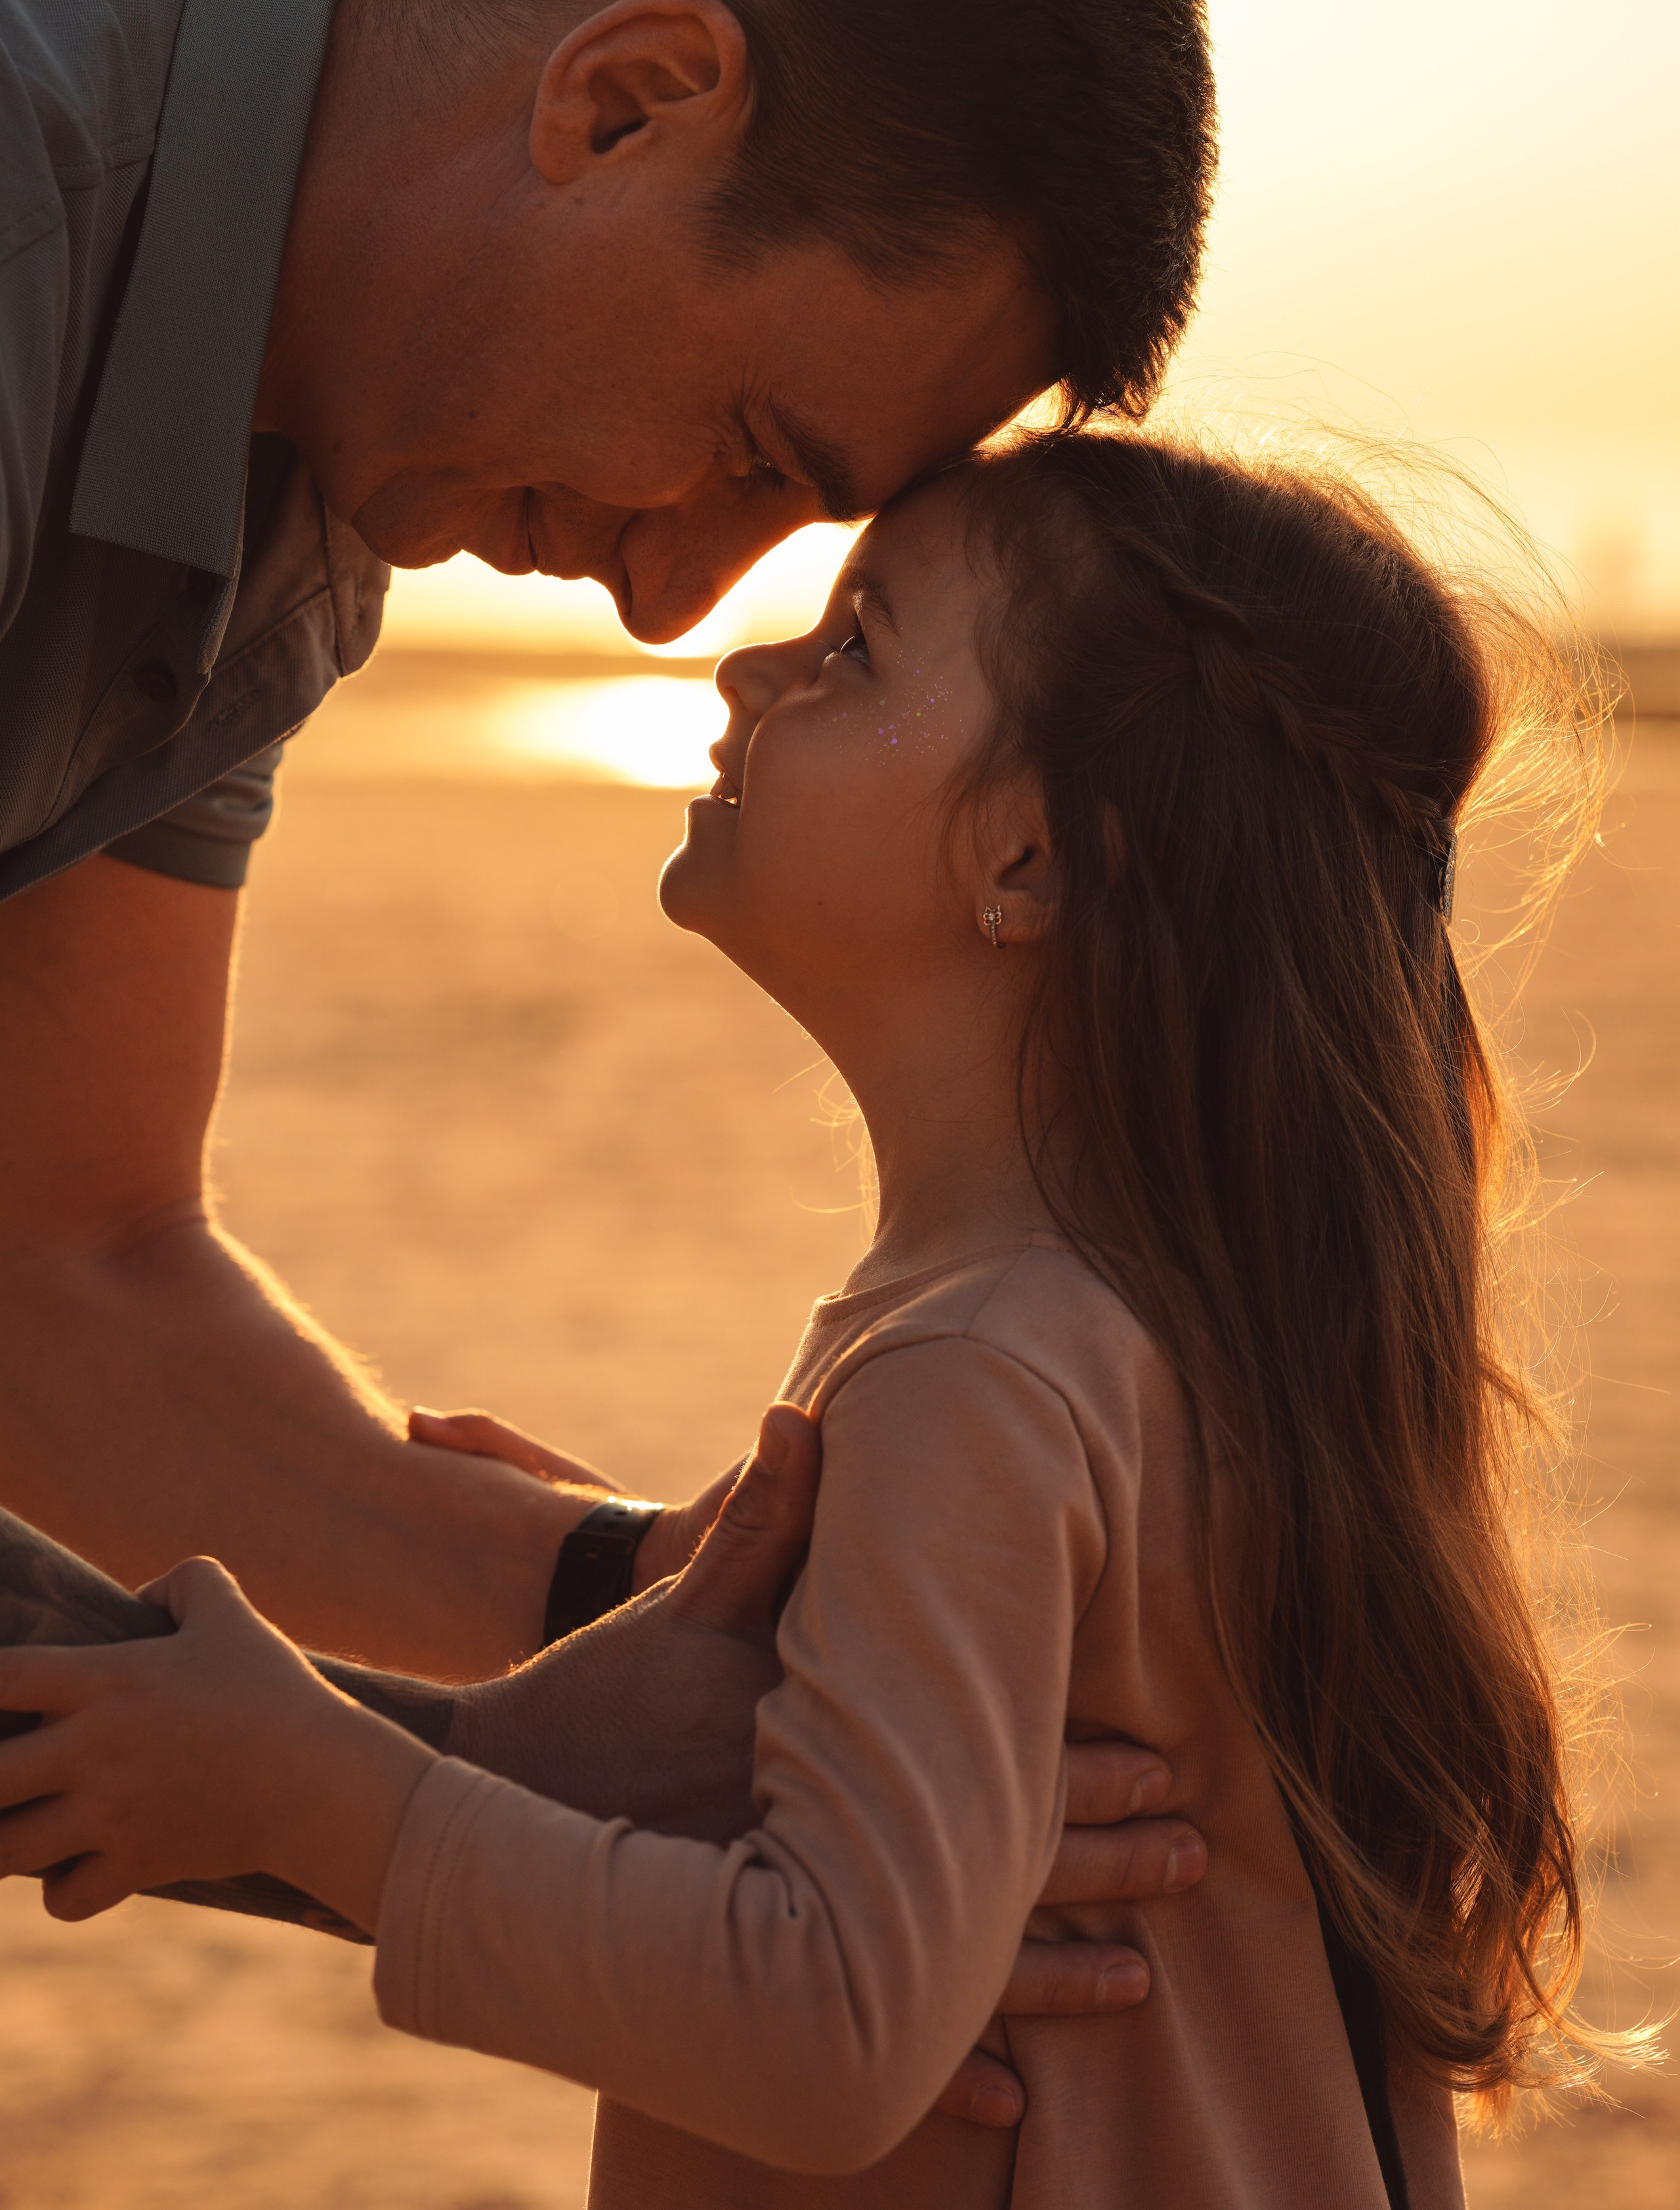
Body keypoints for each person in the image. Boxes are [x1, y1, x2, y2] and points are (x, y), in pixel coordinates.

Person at [0, 0, 1221, 2118]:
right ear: (629, 93)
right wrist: (450, 1800)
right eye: (754, 456)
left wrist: (688, 1617)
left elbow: (68, 1269)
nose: (675, 606)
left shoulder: (292, 488)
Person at [0, 428, 1630, 2205]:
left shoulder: (974, 1381)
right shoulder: (1210, 1367)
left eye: (857, 645)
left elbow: (835, 2026)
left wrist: (316, 1788)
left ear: (1029, 860)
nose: (751, 663)